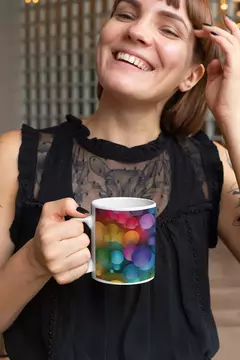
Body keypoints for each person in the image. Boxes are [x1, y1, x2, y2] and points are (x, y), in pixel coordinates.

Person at [0, 0, 240, 359]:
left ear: (192, 76)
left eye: (168, 29)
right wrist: (33, 262)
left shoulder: (210, 164)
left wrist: (232, 118)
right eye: (126, 14)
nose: (137, 31)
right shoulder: (15, 155)